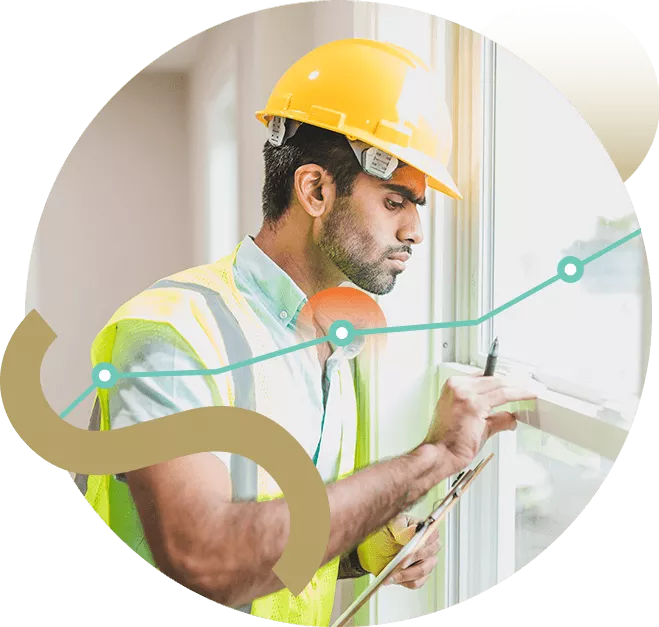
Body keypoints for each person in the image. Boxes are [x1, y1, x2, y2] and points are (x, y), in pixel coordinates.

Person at [74, 38, 537, 626]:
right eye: (396, 201)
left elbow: (276, 547)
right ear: (316, 190)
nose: (415, 231)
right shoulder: (170, 331)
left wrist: (365, 550)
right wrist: (434, 456)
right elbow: (205, 558)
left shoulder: (335, 350)